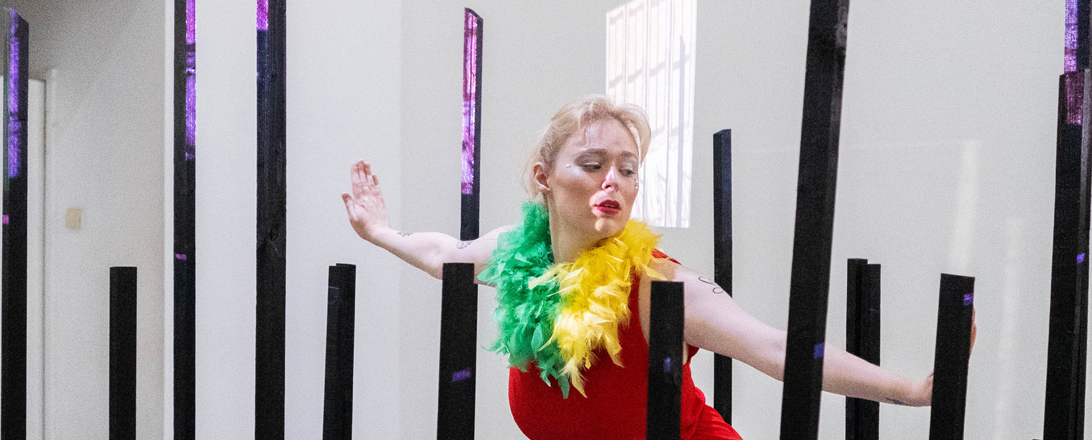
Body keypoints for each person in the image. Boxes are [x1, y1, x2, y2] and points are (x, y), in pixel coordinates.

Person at [343, 95, 955, 439]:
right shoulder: (516, 255)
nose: (614, 180)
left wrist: (910, 391)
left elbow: (776, 348)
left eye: (628, 169)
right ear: (543, 179)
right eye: (591, 163)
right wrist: (381, 232)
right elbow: (444, 256)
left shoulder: (658, 285)